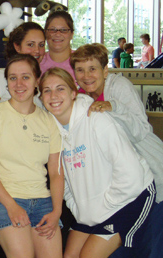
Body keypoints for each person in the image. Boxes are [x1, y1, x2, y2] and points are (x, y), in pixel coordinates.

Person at [39, 67, 155, 258]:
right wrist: (79, 207)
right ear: (41, 97)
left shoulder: (96, 119)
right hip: (92, 210)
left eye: (60, 89)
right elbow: (64, 179)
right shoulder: (52, 130)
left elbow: (131, 174)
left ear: (73, 93)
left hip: (130, 199)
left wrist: (106, 204)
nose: (54, 96)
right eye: (47, 90)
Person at [71, 42, 163, 258]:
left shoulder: (118, 86)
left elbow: (142, 129)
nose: (86, 75)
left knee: (152, 246)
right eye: (80, 70)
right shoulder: (81, 99)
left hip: (155, 180)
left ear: (105, 70)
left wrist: (114, 107)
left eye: (93, 69)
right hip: (124, 190)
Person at [0, 54, 64, 258]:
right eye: (13, 78)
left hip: (42, 200)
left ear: (37, 81)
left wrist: (57, 210)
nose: (19, 83)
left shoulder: (48, 120)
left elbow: (56, 172)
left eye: (26, 77)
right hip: (3, 198)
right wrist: (11, 206)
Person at [0, 22, 46, 104]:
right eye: (30, 44)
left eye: (41, 45)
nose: (37, 50)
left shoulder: (43, 81)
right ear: (17, 47)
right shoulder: (1, 78)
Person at [40, 11, 75, 79]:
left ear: (72, 35)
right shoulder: (38, 63)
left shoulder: (81, 61)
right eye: (52, 30)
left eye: (64, 30)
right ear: (45, 34)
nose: (58, 34)